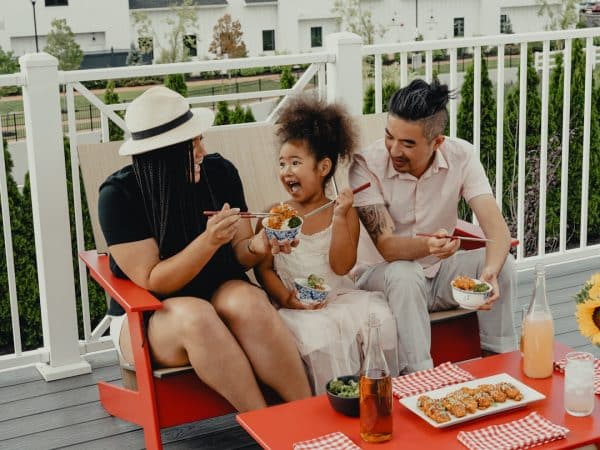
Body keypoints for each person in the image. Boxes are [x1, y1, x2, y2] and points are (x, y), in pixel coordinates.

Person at [98, 86, 311, 412]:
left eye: (199, 139)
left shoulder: (219, 173)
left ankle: (309, 416)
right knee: (197, 316)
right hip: (151, 316)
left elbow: (240, 253)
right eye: (192, 143)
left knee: (248, 301)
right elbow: (154, 280)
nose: (202, 149)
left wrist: (259, 244)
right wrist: (208, 241)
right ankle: (265, 427)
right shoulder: (119, 196)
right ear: (164, 152)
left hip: (218, 294)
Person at [349, 79, 517, 373]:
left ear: (437, 142)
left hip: (438, 277)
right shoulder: (365, 165)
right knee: (405, 271)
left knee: (504, 265)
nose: (394, 150)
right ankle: (420, 377)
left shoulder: (461, 155)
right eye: (390, 137)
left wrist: (488, 273)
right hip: (379, 281)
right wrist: (428, 246)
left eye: (408, 143)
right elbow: (387, 247)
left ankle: (500, 365)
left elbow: (497, 231)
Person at [254, 96, 399, 394]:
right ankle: (330, 408)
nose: (286, 171)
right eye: (282, 164)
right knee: (322, 334)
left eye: (296, 163)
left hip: (339, 297)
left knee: (380, 321)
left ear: (323, 167)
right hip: (296, 307)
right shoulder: (274, 216)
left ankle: (376, 396)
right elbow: (264, 269)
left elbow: (342, 266)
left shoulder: (344, 211)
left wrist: (341, 216)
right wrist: (286, 298)